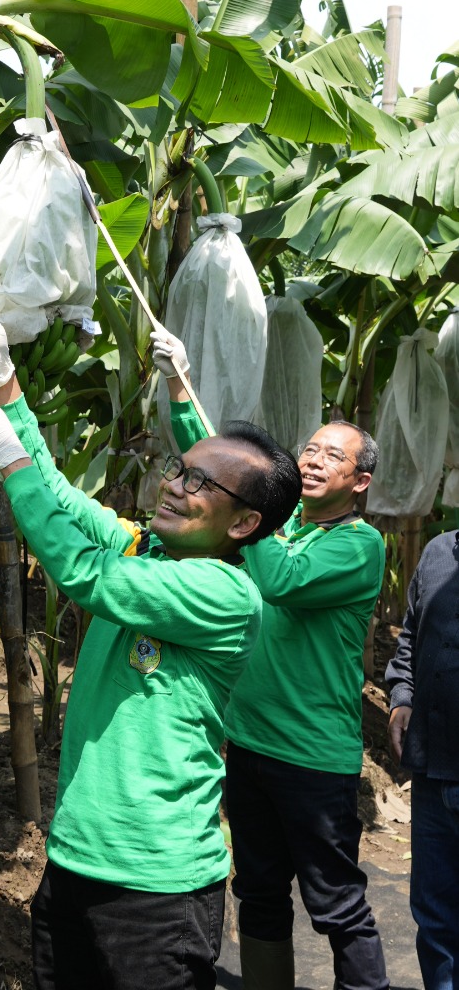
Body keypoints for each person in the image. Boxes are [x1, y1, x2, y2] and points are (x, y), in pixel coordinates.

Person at [0, 308, 302, 990]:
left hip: (155, 885)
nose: (175, 486)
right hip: (75, 861)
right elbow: (56, 499)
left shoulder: (222, 595)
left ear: (244, 522)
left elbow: (85, 574)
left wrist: (8, 458)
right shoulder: (148, 546)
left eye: (203, 484)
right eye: (181, 469)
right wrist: (6, 384)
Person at [156, 330, 387, 989]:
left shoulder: (357, 547)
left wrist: (253, 505)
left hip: (312, 759)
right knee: (256, 892)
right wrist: (178, 381)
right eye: (308, 449)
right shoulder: (279, 525)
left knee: (334, 906)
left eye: (331, 457)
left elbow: (279, 579)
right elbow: (217, 464)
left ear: (358, 481)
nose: (312, 461)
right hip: (250, 746)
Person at [386, 530, 459, 990]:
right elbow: (411, 633)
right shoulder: (438, 550)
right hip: (434, 768)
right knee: (434, 916)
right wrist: (402, 695)